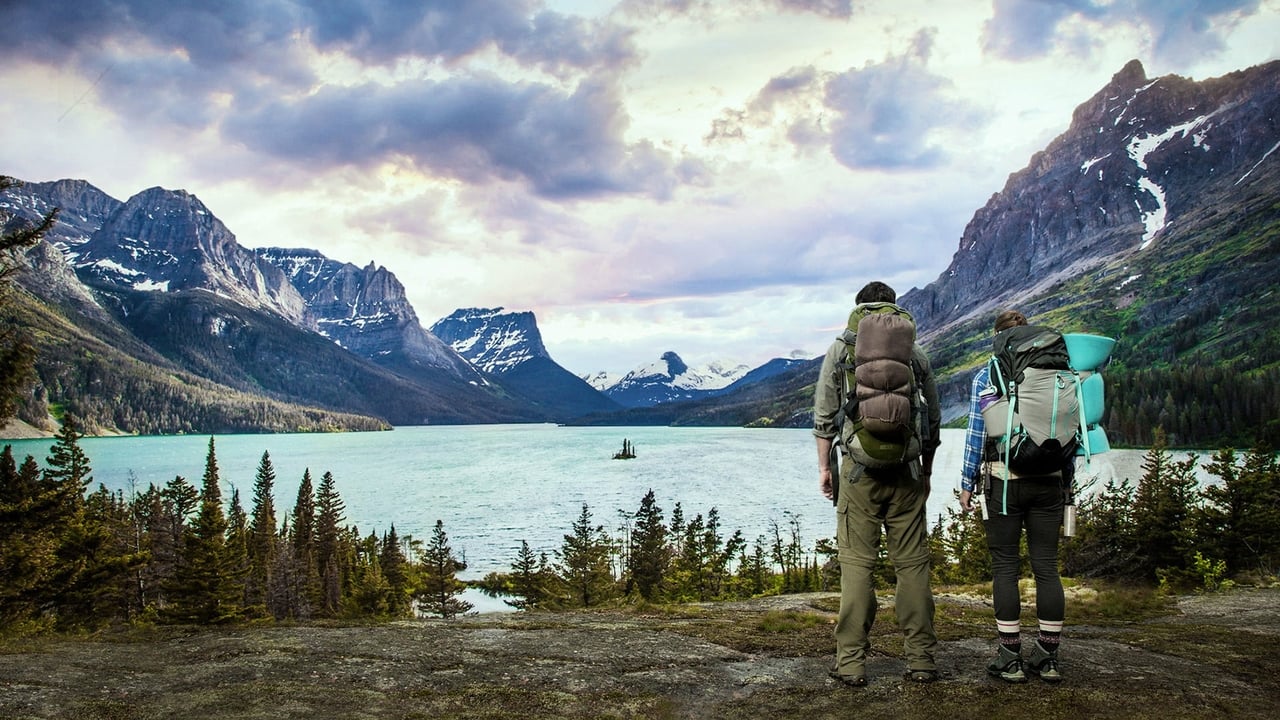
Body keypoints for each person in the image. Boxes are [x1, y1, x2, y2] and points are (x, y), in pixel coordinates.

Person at [813, 281, 942, 686]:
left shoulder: (842, 349)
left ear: (859, 308)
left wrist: (825, 469)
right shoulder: (913, 352)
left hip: (858, 473)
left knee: (856, 566)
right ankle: (921, 659)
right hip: (906, 472)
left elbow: (823, 417)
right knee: (913, 566)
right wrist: (927, 472)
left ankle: (850, 662)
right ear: (894, 308)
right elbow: (932, 420)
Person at [959, 309, 1067, 684]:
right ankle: (1049, 658)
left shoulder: (987, 375)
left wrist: (966, 482)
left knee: (1006, 566)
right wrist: (1065, 486)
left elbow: (977, 433)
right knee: (1047, 567)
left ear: (998, 338)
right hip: (1051, 482)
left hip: (1003, 483)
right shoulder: (1058, 373)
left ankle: (1010, 658)